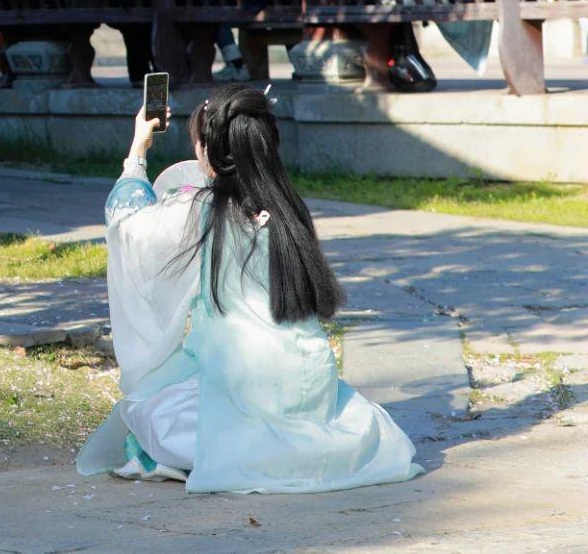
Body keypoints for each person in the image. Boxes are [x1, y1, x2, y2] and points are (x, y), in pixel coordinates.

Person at [78, 85, 421, 492]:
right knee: (334, 421)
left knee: (145, 410)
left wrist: (138, 150)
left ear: (210, 152)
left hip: (242, 381)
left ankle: (248, 450)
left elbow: (127, 224)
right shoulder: (288, 207)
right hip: (308, 383)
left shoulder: (199, 208)